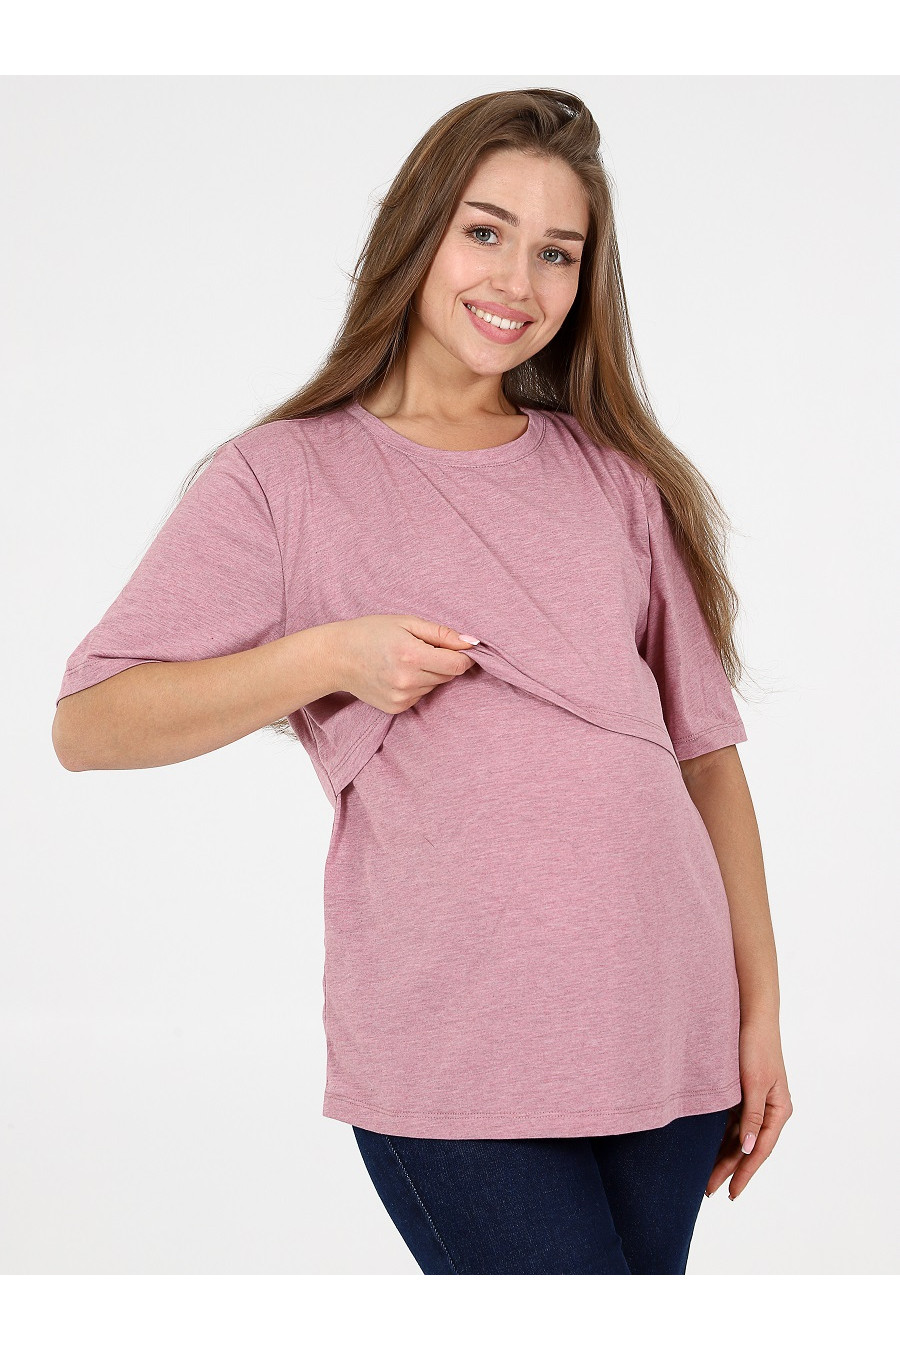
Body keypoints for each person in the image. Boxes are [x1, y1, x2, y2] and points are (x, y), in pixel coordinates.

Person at [52, 87, 792, 1275]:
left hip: (666, 1024)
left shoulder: (615, 481)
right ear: (418, 232)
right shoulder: (282, 479)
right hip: (459, 1046)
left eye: (558, 252)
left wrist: (758, 1017)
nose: (518, 280)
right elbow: (89, 724)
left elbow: (705, 759)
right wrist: (328, 656)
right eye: (485, 231)